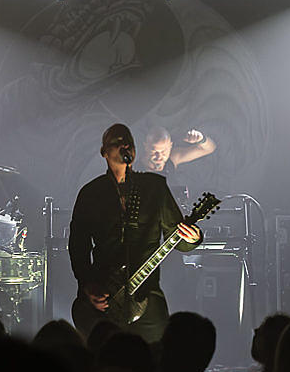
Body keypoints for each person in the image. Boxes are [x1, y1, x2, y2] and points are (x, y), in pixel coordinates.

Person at [69, 123, 202, 342]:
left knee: (155, 356)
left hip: (147, 292)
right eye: (116, 142)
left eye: (128, 142)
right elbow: (78, 246)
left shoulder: (155, 187)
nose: (124, 145)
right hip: (104, 292)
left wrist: (194, 237)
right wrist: (87, 285)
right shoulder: (91, 193)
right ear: (104, 152)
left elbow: (179, 241)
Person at [139, 126, 217, 175]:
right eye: (154, 151)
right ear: (146, 147)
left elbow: (209, 149)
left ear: (170, 146)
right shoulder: (134, 167)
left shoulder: (173, 158)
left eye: (163, 151)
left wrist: (201, 139)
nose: (159, 156)